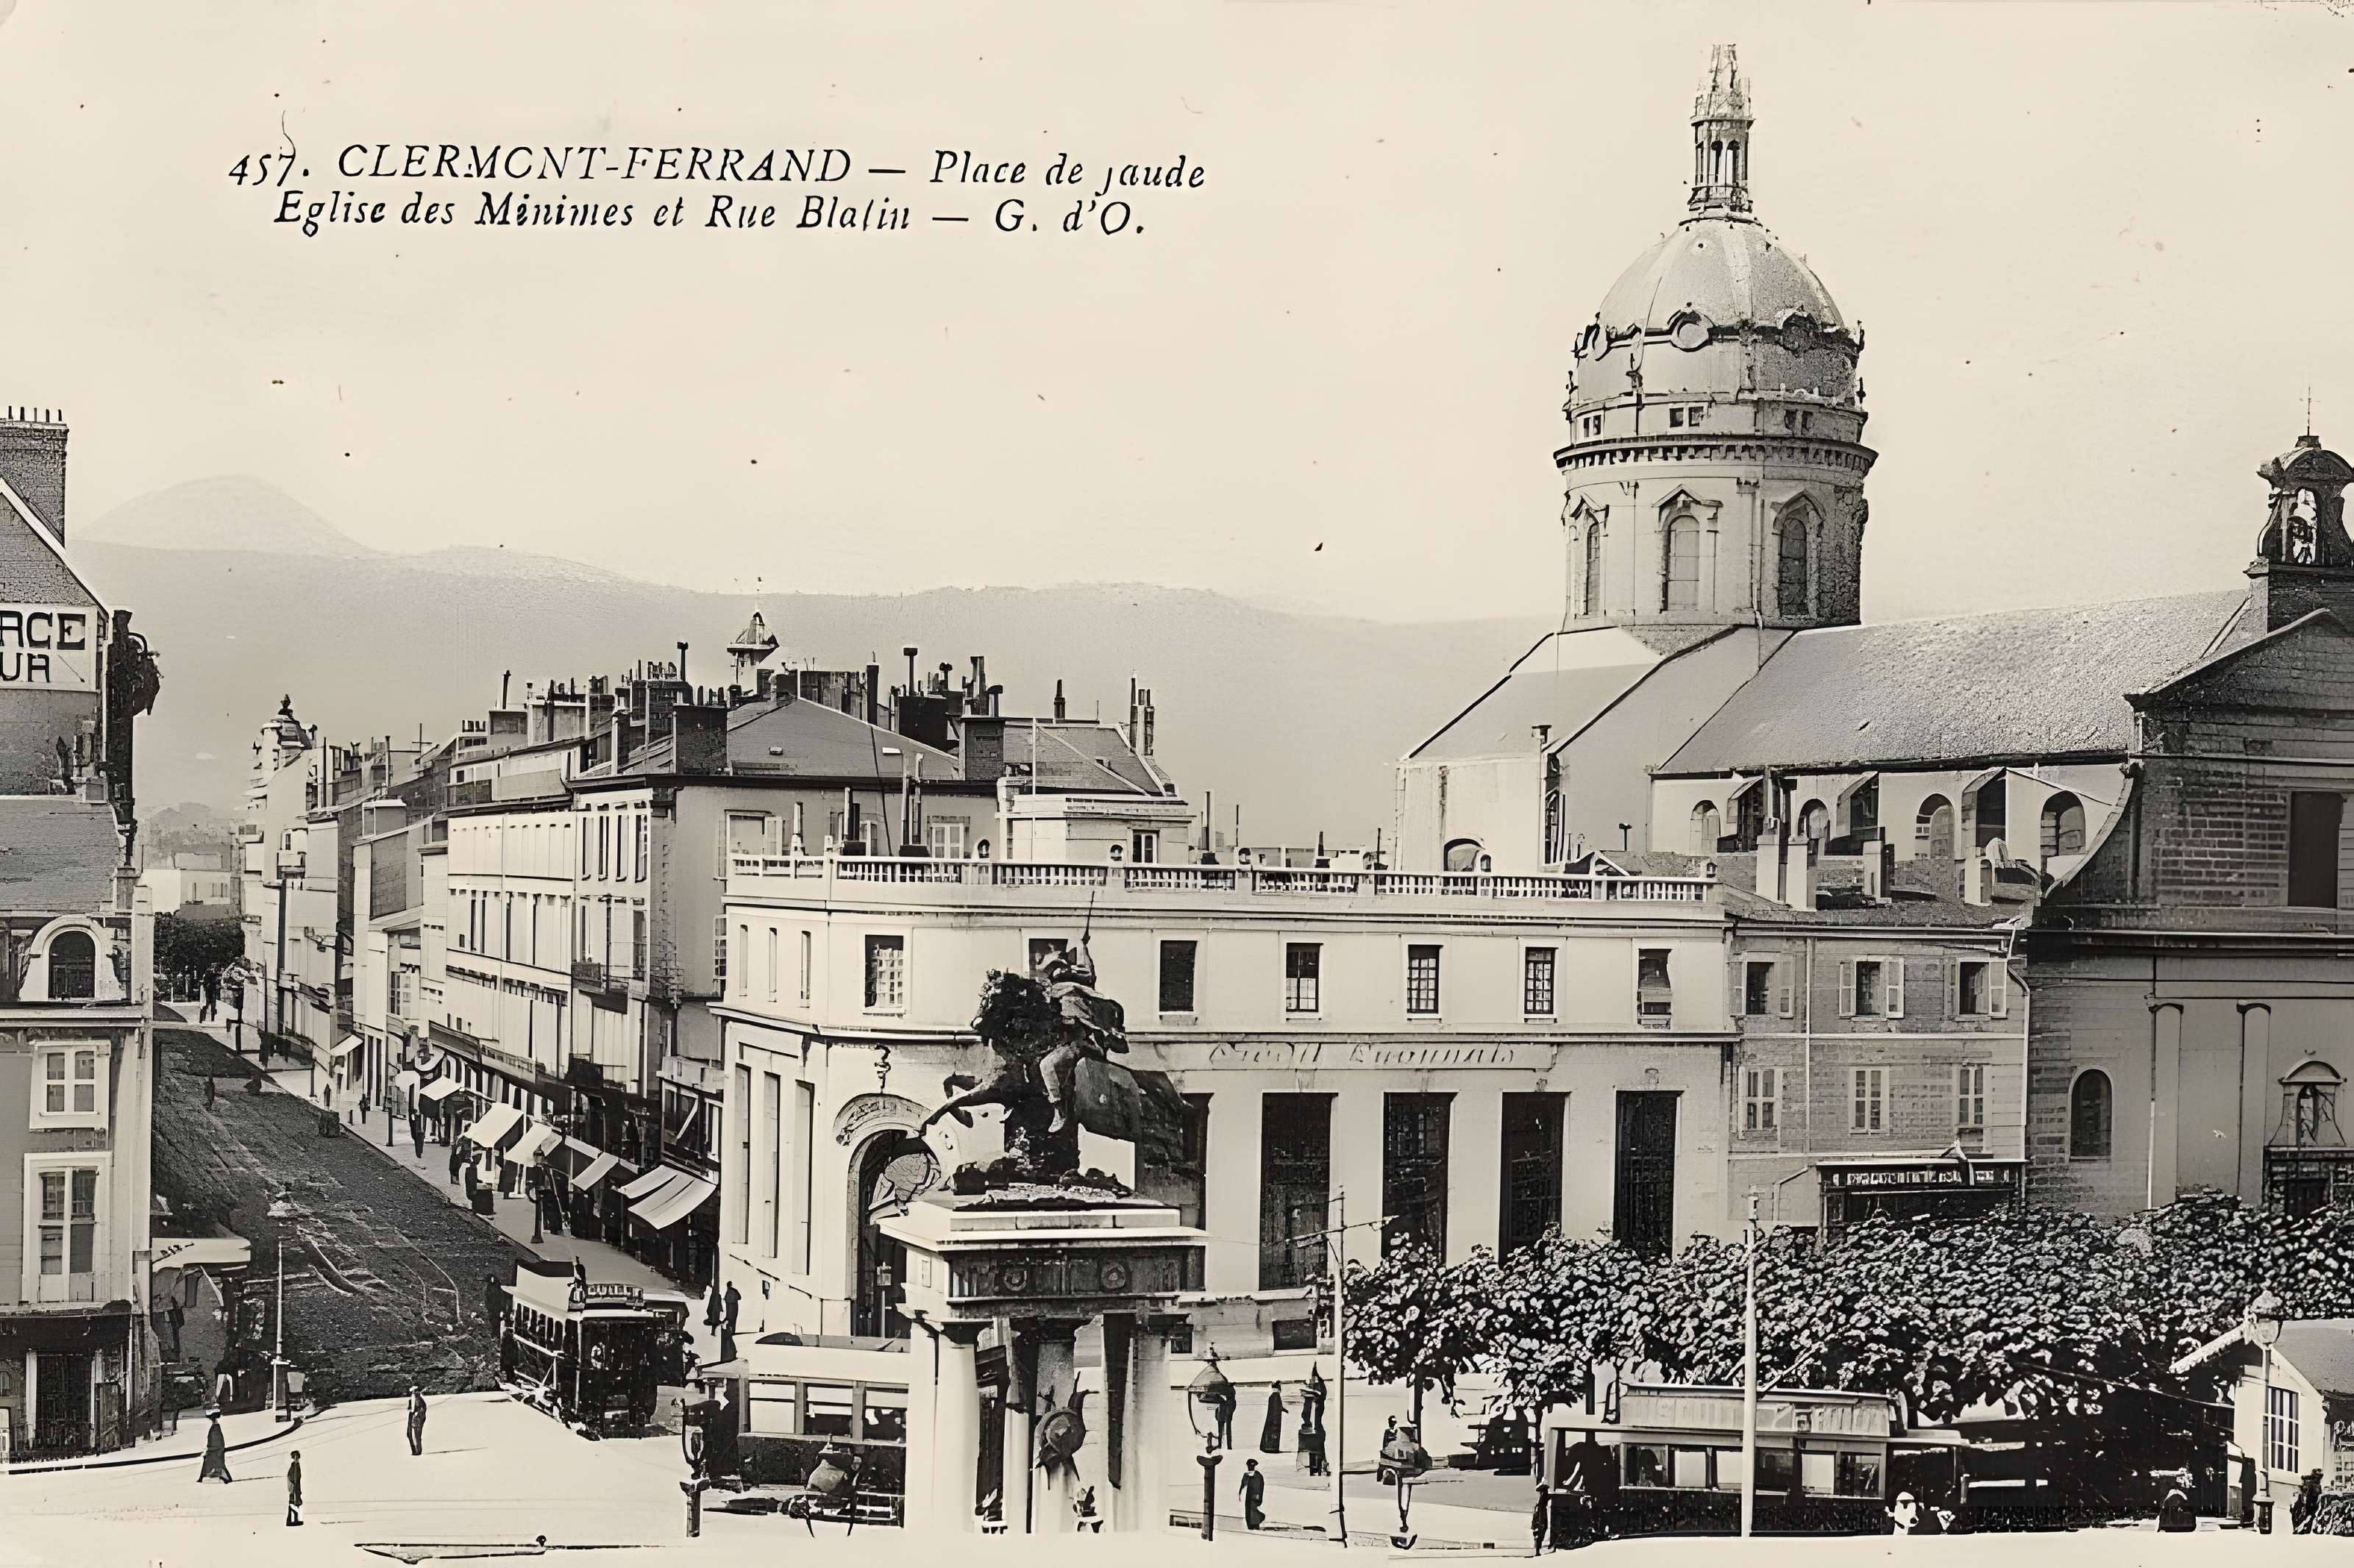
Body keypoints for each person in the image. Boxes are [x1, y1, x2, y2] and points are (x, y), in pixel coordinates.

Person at [1035, 941, 1128, 1133]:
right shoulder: (1078, 994)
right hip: (1076, 1043)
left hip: (1081, 1045)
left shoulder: (1069, 995)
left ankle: (1059, 1110)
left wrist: (1063, 1022)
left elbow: (1076, 1025)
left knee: (1047, 1065)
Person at [197, 1411, 232, 1483]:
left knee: (217, 1464)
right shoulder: (215, 1427)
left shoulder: (215, 1428)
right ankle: (203, 1477)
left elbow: (215, 1440)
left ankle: (227, 1478)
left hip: (215, 1450)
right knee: (215, 1464)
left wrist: (210, 1448)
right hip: (215, 1449)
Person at [1239, 1458, 1266, 1530]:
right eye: (1249, 1466)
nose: (1250, 1467)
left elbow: (1260, 1486)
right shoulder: (1246, 1475)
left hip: (1255, 1495)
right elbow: (1243, 1485)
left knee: (1253, 1510)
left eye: (1251, 1466)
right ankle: (1250, 1525)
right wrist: (1240, 1493)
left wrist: (1258, 1495)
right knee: (1248, 1510)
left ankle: (1257, 1522)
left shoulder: (1258, 1476)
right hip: (1248, 1495)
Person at [1260, 1381, 1286, 1454]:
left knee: (1270, 1433)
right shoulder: (1276, 1396)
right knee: (1274, 1434)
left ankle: (1268, 1447)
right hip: (1275, 1419)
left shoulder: (1273, 1396)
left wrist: (1284, 1410)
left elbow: (1277, 1407)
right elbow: (1277, 1408)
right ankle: (1272, 1448)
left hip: (1271, 1418)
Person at [406, 1385, 427, 1456]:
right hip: (417, 1418)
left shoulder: (415, 1398)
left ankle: (417, 1450)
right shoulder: (420, 1399)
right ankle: (417, 1450)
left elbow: (412, 1409)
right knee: (415, 1434)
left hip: (416, 1418)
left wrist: (413, 1412)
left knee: (414, 1434)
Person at [285, 1450, 303, 1527]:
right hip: (294, 1489)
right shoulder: (295, 1465)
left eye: (297, 1457)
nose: (296, 1458)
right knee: (293, 1504)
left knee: (294, 1504)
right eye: (295, 1457)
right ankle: (292, 1521)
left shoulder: (296, 1465)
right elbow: (294, 1477)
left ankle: (293, 1520)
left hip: (295, 1489)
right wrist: (295, 1484)